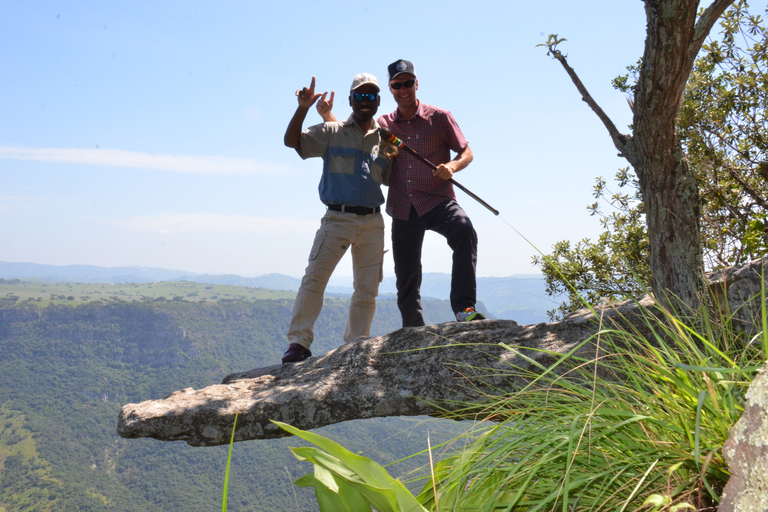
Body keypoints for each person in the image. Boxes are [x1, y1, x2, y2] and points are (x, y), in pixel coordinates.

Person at [281, 74, 391, 364]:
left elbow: (390, 178)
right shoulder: (332, 131)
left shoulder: (386, 140)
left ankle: (356, 345)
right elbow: (292, 142)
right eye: (359, 96)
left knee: (367, 289)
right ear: (351, 100)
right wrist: (303, 108)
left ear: (378, 101)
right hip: (336, 218)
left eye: (370, 97)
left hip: (372, 221)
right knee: (315, 279)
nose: (365, 101)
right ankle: (299, 343)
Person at [379, 59, 484, 327]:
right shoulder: (384, 124)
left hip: (438, 199)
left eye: (408, 83)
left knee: (464, 230)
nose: (404, 89)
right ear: (390, 89)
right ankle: (413, 327)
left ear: (417, 83)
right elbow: (356, 130)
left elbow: (466, 152)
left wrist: (452, 166)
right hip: (403, 205)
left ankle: (464, 308)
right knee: (406, 273)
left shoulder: (440, 117)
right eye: (397, 85)